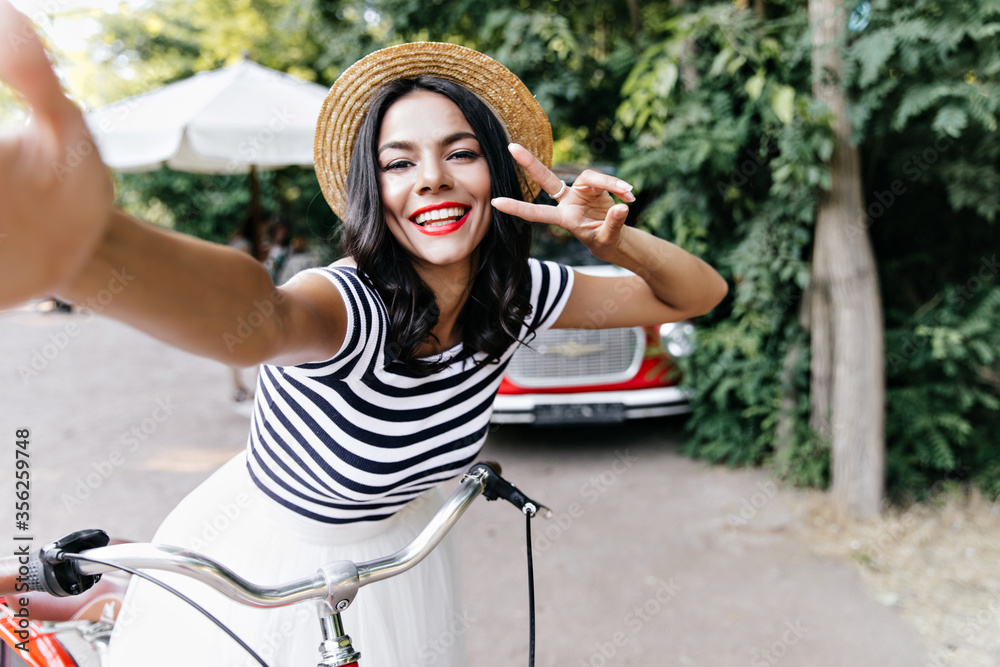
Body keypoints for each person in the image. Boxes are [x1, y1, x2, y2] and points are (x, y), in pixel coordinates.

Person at [0, 6, 728, 665]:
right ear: (372, 192)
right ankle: (102, 600)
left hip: (389, 567)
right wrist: (93, 249)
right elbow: (256, 316)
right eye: (398, 162)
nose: (432, 179)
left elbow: (699, 293)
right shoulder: (349, 302)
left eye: (461, 152)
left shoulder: (519, 293)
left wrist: (613, 241)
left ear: (501, 171)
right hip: (270, 561)